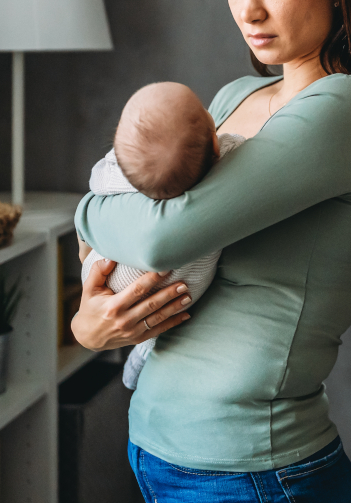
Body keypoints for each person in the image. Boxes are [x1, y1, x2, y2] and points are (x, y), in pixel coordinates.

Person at [70, 0, 351, 503]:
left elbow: (163, 232)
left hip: (253, 477)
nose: (248, 11)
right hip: (167, 457)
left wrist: (83, 209)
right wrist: (89, 328)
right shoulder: (235, 97)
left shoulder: (345, 110)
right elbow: (150, 248)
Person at [80, 81, 246, 390]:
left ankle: (141, 353)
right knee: (166, 317)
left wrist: (86, 243)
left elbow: (95, 187)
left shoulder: (119, 170)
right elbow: (237, 145)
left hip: (109, 277)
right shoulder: (227, 157)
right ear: (213, 143)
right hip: (186, 288)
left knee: (99, 265)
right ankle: (143, 352)